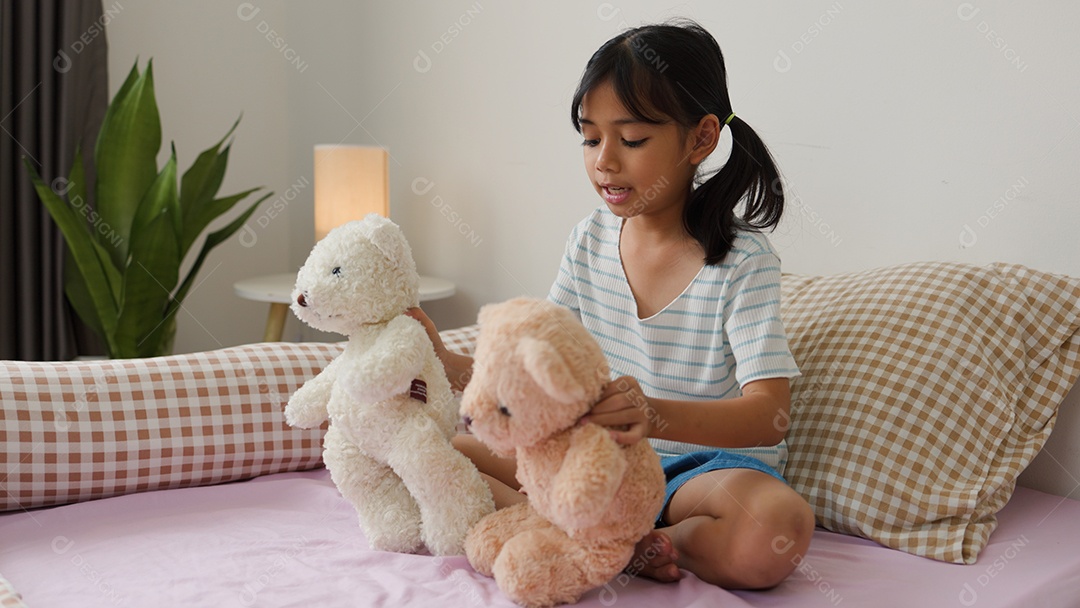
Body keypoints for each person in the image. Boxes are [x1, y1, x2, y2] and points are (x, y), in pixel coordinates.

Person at [409, 20, 815, 590]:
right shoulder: (588, 240)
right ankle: (600, 537)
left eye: (632, 140)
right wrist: (438, 359)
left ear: (701, 138)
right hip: (597, 464)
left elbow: (769, 417)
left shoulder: (743, 261)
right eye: (590, 138)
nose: (604, 161)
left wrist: (652, 414)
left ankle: (658, 543)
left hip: (703, 473)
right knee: (443, 449)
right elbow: (533, 372)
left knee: (775, 529)